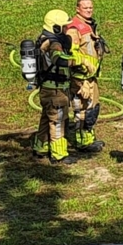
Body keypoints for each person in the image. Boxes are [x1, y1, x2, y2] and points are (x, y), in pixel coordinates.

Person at [31, 10, 79, 165]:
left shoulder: (43, 39)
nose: (66, 30)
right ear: (56, 27)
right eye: (64, 27)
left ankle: (41, 148)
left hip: (47, 88)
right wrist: (78, 60)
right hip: (56, 91)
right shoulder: (54, 43)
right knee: (58, 121)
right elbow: (59, 60)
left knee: (46, 118)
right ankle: (59, 155)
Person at [65, 0, 108, 153]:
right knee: (82, 110)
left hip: (91, 76)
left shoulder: (90, 25)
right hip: (80, 78)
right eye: (85, 8)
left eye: (91, 7)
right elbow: (71, 55)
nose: (89, 10)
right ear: (77, 9)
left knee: (92, 108)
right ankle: (81, 142)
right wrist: (79, 79)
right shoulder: (74, 29)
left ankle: (89, 139)